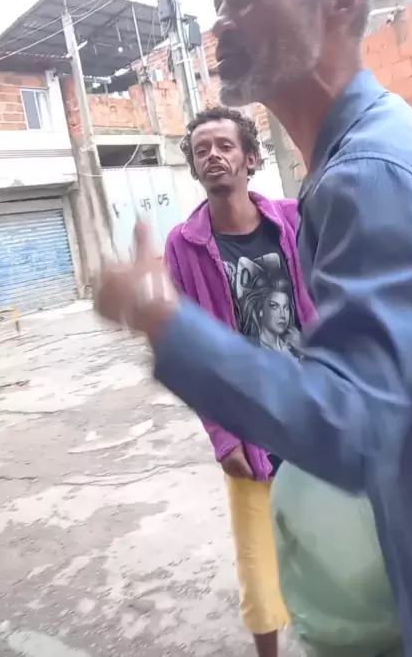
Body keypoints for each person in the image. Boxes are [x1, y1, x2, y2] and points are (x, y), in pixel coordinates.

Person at [95, 0, 412, 657]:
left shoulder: (364, 175)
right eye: (218, 5)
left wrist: (162, 320)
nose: (221, 24)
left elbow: (354, 426)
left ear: (339, 1)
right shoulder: (360, 159)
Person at [164, 106, 314, 657]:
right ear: (194, 166)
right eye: (201, 149)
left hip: (315, 410)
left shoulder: (291, 219)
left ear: (250, 158)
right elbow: (188, 348)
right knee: (258, 564)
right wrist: (222, 435)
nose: (213, 156)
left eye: (225, 146)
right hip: (251, 426)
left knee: (343, 542)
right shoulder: (183, 245)